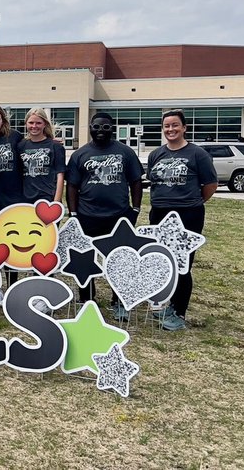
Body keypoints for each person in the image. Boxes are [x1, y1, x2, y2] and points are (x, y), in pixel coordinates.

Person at [66, 112, 144, 319]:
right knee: (84, 260)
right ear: (90, 128)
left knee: (119, 260)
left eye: (106, 127)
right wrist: (73, 213)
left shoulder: (125, 152)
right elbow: (72, 186)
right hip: (87, 216)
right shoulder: (79, 155)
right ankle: (86, 298)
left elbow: (136, 181)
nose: (101, 131)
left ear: (113, 129)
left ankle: (119, 301)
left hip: (118, 216)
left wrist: (135, 209)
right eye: (97, 127)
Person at [146, 109, 217, 331]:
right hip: (159, 213)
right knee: (164, 261)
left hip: (188, 214)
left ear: (184, 128)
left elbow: (210, 186)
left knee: (182, 264)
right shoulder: (156, 154)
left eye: (175, 125)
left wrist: (191, 202)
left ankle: (179, 312)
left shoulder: (197, 154)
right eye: (167, 126)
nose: (171, 130)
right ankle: (167, 304)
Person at [19, 108, 66, 204]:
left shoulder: (55, 146)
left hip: (48, 198)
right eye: (31, 123)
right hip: (25, 199)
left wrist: (56, 202)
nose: (34, 126)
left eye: (38, 123)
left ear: (45, 124)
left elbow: (60, 175)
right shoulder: (21, 145)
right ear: (26, 124)